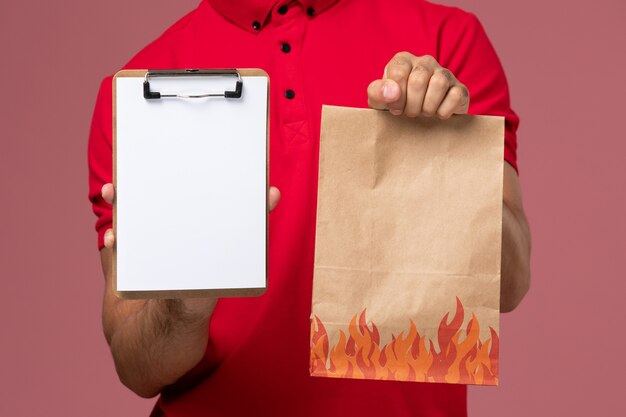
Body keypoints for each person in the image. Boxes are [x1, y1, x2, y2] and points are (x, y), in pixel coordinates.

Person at [88, 0, 531, 415]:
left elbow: (509, 284)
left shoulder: (446, 42)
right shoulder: (137, 90)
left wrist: (449, 160)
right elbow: (137, 366)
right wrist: (186, 296)